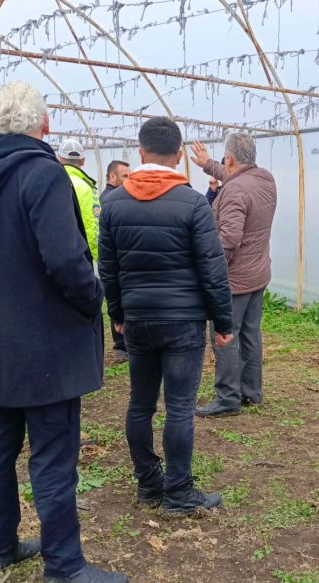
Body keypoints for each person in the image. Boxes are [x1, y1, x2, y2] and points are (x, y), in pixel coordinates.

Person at [0, 81, 128, 583]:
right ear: (44, 127)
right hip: (44, 343)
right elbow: (67, 261)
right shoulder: (42, 175)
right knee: (52, 454)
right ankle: (64, 564)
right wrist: (92, 299)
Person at [98, 117, 234, 517]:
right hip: (183, 323)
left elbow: (109, 268)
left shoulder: (113, 203)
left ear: (140, 153)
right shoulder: (191, 202)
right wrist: (223, 322)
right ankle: (177, 491)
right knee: (179, 407)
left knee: (140, 404)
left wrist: (118, 315)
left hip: (138, 319)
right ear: (178, 157)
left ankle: (147, 484)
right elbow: (213, 267)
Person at [189, 135, 277, 417]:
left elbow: (228, 239)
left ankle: (228, 397)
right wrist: (207, 165)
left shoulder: (234, 190)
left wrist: (212, 272)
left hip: (234, 279)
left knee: (225, 335)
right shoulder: (264, 179)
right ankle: (251, 391)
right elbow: (235, 175)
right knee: (250, 333)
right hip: (258, 274)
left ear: (230, 159)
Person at [98, 159, 131, 362]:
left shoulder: (115, 197)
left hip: (118, 257)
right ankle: (121, 345)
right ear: (112, 177)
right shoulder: (109, 199)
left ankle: (124, 344)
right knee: (115, 294)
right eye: (125, 176)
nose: (129, 179)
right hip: (115, 257)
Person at [56, 139, 100, 260]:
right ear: (83, 161)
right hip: (78, 257)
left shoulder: (51, 182)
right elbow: (92, 227)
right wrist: (96, 259)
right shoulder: (86, 187)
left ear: (59, 159)